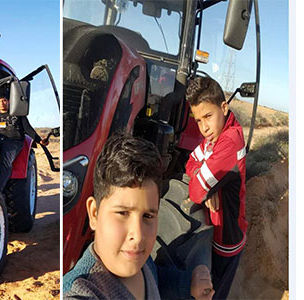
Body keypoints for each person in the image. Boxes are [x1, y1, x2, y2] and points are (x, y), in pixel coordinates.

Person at [63, 133, 214, 300]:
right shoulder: (81, 290)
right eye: (123, 213)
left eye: (148, 216)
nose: (138, 235)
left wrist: (188, 284)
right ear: (94, 214)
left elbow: (156, 280)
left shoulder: (142, 261)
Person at [185, 77, 248, 299]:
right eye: (198, 120)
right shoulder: (214, 137)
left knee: (215, 293)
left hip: (227, 238)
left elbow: (195, 192)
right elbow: (190, 162)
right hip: (216, 229)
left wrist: (204, 187)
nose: (203, 128)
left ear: (224, 107)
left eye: (208, 117)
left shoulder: (229, 141)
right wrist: (207, 187)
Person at [0, 88, 48, 191]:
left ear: (9, 101)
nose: (1, 103)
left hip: (14, 141)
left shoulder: (18, 115)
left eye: (4, 100)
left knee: (5, 160)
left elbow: (28, 129)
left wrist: (39, 140)